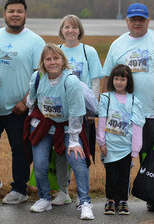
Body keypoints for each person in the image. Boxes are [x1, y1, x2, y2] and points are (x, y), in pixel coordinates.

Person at [101, 3, 154, 212]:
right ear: (127, 21)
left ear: (148, 21)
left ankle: (153, 196)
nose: (137, 23)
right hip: (122, 116)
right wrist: (104, 108)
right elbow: (107, 77)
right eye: (133, 19)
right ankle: (117, 198)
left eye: (141, 19)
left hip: (153, 113)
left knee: (152, 156)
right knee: (120, 159)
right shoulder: (117, 44)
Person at [0, 0, 45, 204]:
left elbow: (41, 76)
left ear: (25, 14)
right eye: (11, 11)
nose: (15, 15)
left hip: (19, 108)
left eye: (20, 11)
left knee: (19, 149)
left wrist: (26, 101)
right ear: (4, 14)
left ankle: (20, 189)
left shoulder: (36, 41)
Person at [25, 44, 94, 220]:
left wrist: (73, 141)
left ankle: (85, 202)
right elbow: (31, 100)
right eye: (48, 59)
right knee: (39, 164)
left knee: (77, 160)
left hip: (67, 126)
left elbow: (76, 112)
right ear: (43, 62)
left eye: (56, 58)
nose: (52, 62)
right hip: (44, 125)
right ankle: (44, 199)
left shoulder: (71, 81)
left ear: (63, 61)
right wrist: (35, 117)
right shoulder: (38, 77)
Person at [53, 15, 103, 205]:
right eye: (67, 27)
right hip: (60, 111)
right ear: (62, 30)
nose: (70, 31)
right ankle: (63, 191)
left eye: (74, 27)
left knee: (82, 152)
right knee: (61, 152)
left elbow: (95, 81)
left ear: (80, 30)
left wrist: (93, 110)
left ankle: (83, 193)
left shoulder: (88, 51)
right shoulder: (56, 50)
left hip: (82, 112)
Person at [97, 64, 144, 215]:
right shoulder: (106, 98)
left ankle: (123, 202)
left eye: (122, 79)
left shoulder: (134, 101)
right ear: (112, 80)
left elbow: (137, 126)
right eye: (116, 78)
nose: (118, 82)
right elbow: (102, 121)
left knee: (124, 176)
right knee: (111, 175)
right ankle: (110, 201)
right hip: (110, 146)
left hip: (125, 148)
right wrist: (101, 142)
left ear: (128, 81)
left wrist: (135, 148)